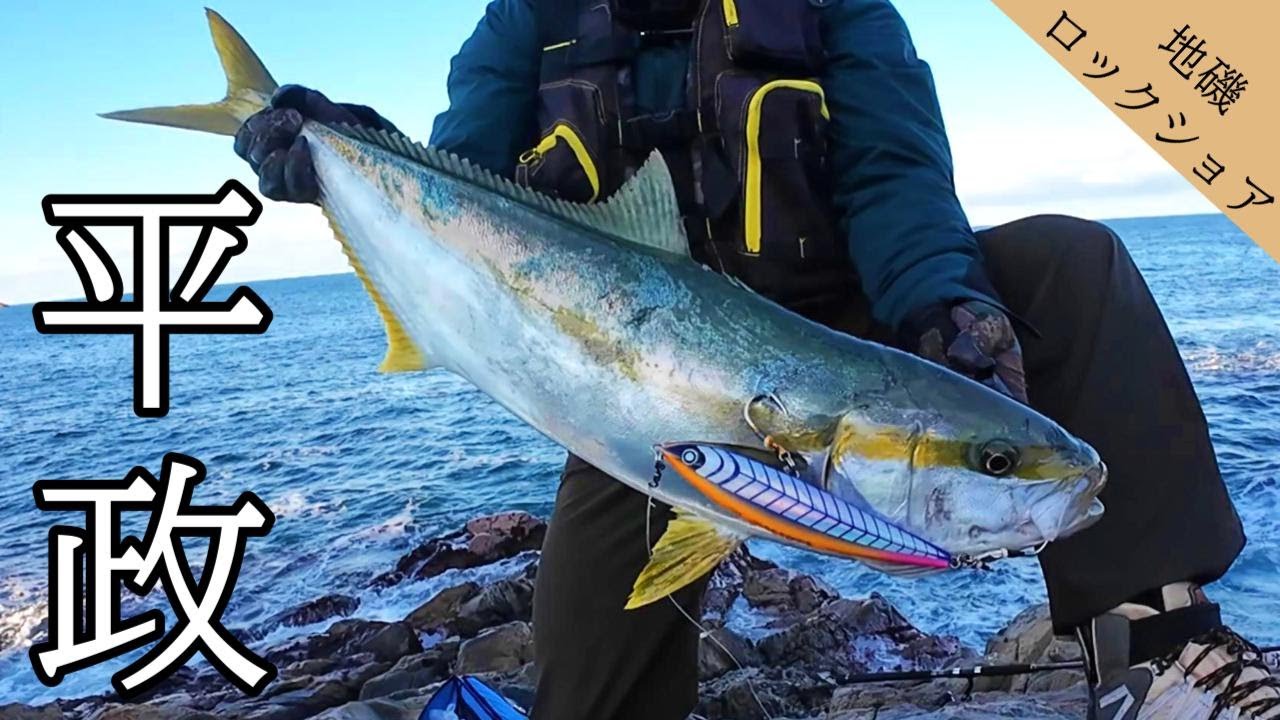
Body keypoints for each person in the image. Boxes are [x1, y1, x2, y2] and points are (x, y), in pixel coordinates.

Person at [232, 1, 1279, 717]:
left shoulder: (831, 4)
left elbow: (895, 171)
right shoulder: (527, 16)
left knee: (1066, 265)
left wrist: (947, 311)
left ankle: (1157, 648)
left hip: (842, 330)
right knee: (587, 694)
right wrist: (346, 148)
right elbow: (463, 181)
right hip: (641, 383)